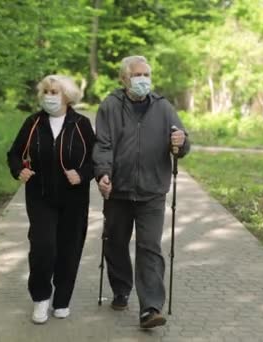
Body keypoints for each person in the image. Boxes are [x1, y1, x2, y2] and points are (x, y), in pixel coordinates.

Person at [92, 56, 190, 329]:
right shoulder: (110, 106)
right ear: (124, 79)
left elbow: (182, 142)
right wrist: (102, 174)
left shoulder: (163, 108)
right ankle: (121, 289)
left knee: (149, 248)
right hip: (119, 190)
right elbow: (103, 145)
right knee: (115, 243)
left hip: (152, 192)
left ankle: (150, 308)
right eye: (137, 75)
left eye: (147, 74)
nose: (143, 79)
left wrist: (181, 142)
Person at [7, 75, 95, 324]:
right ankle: (41, 298)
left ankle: (62, 300)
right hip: (40, 196)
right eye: (46, 91)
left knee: (69, 249)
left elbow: (96, 159)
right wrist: (18, 170)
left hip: (74, 199)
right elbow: (14, 154)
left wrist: (83, 174)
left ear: (67, 96)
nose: (49, 96)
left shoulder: (81, 124)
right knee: (43, 248)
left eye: (55, 91)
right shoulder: (33, 123)